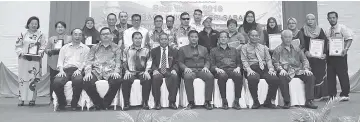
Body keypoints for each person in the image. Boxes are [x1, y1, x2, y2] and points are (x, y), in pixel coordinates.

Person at [272, 30, 318, 109]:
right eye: (286, 37)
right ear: (282, 38)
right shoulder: (278, 50)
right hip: (285, 71)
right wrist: (280, 69)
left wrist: (306, 68)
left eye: (290, 37)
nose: (288, 39)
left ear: (292, 38)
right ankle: (287, 101)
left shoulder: (297, 49)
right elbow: (275, 62)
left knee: (310, 76)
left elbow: (304, 60)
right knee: (282, 77)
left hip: (297, 70)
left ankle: (309, 101)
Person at [83, 27, 122, 110]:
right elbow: (89, 61)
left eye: (107, 34)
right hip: (96, 71)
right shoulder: (94, 48)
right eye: (103, 34)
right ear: (100, 36)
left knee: (117, 80)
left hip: (111, 71)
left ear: (111, 35)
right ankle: (98, 103)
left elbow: (118, 62)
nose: (105, 36)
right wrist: (88, 72)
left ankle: (106, 103)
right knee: (87, 81)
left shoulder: (116, 48)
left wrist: (116, 71)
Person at [240, 30, 279, 109]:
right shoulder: (244, 47)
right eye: (252, 35)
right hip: (252, 67)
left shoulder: (263, 47)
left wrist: (271, 68)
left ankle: (268, 101)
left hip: (264, 68)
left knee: (275, 79)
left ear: (259, 37)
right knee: (253, 78)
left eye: (256, 36)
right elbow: (244, 60)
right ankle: (256, 101)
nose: (254, 37)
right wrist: (249, 70)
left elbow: (268, 59)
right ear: (249, 36)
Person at [52, 28, 90, 111]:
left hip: (78, 69)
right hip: (65, 70)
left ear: (82, 36)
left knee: (78, 80)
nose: (77, 36)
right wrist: (61, 71)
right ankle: (62, 102)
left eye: (80, 34)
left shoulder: (86, 49)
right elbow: (60, 61)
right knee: (56, 82)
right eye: (75, 34)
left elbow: (85, 62)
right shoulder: (64, 48)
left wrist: (79, 70)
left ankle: (74, 102)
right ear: (71, 36)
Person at [178, 30, 214, 110]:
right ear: (188, 38)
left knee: (210, 76)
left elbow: (208, 60)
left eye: (195, 37)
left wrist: (206, 67)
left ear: (198, 38)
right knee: (187, 77)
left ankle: (207, 101)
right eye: (192, 37)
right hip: (190, 70)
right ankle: (191, 102)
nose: (194, 39)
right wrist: (185, 68)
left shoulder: (204, 49)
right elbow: (180, 62)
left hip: (202, 70)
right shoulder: (182, 49)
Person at [15, 16, 47, 106]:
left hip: (35, 60)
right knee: (22, 79)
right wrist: (21, 53)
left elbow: (43, 46)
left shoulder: (41, 34)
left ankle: (32, 99)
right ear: (28, 24)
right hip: (24, 59)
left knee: (33, 79)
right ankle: (21, 99)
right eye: (32, 23)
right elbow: (18, 45)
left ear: (38, 25)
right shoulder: (23, 34)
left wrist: (39, 53)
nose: (34, 25)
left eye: (36, 24)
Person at [210, 31, 243, 110]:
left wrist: (238, 67)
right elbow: (211, 64)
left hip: (232, 70)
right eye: (221, 37)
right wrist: (217, 69)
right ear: (218, 39)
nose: (223, 39)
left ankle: (236, 101)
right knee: (222, 76)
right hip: (220, 70)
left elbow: (239, 62)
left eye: (225, 37)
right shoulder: (213, 50)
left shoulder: (234, 50)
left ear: (228, 39)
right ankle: (224, 101)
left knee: (238, 76)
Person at [300, 14, 329, 100]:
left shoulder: (320, 30)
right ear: (306, 20)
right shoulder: (303, 30)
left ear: (315, 20)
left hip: (319, 57)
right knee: (312, 74)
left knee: (320, 73)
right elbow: (301, 43)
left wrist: (324, 53)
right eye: (308, 19)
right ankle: (315, 95)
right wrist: (305, 51)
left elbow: (325, 43)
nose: (310, 21)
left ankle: (323, 94)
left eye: (312, 19)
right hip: (309, 57)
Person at [326, 11, 353, 101]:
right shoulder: (328, 30)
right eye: (330, 18)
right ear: (328, 19)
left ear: (337, 18)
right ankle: (332, 95)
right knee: (331, 75)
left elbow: (349, 39)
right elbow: (326, 43)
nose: (332, 19)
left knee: (343, 75)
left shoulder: (342, 28)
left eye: (334, 17)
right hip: (330, 56)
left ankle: (345, 94)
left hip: (340, 55)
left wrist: (346, 49)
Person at [122, 32, 152, 110]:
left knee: (147, 79)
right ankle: (126, 103)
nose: (138, 40)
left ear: (142, 39)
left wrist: (146, 71)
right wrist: (126, 71)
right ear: (132, 39)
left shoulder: (146, 50)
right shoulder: (127, 50)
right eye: (136, 38)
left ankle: (145, 102)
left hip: (142, 72)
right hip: (131, 72)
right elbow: (124, 62)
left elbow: (149, 61)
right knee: (126, 80)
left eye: (139, 38)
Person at [150, 33, 179, 110]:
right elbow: (151, 63)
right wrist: (155, 70)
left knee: (174, 77)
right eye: (162, 39)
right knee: (156, 78)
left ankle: (172, 102)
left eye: (165, 39)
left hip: (169, 69)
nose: (164, 41)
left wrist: (174, 69)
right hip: (158, 70)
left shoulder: (174, 51)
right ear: (159, 41)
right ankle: (157, 102)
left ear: (168, 40)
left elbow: (176, 62)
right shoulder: (153, 51)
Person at [45, 21, 72, 103]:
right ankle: (52, 99)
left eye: (62, 27)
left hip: (65, 64)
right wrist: (50, 51)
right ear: (56, 29)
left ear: (65, 28)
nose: (60, 28)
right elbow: (46, 49)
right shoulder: (51, 39)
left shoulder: (69, 38)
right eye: (58, 27)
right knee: (53, 81)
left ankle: (64, 99)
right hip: (54, 63)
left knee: (64, 81)